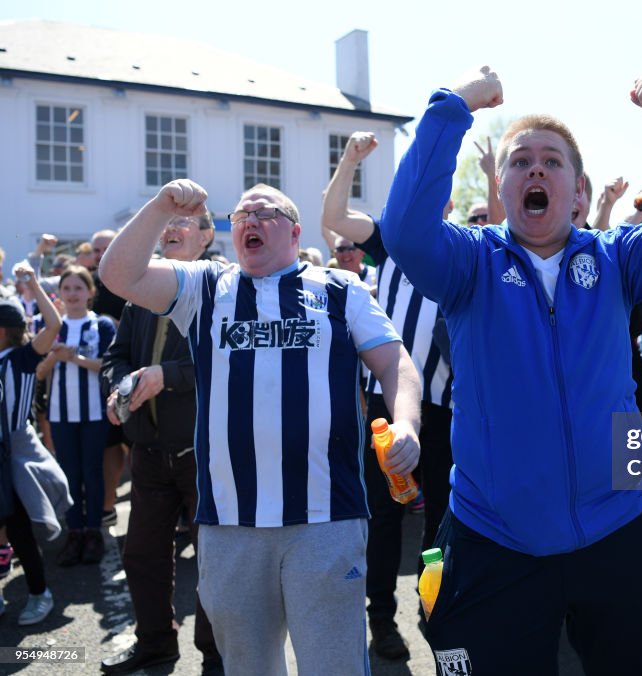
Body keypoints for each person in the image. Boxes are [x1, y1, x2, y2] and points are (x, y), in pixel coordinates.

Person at [380, 65, 642, 674]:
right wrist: (454, 108)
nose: (536, 168)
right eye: (520, 162)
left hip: (618, 529)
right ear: (502, 190)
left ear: (578, 192)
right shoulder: (471, 263)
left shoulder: (620, 256)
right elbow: (406, 231)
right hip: (495, 536)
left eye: (552, 161)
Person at [98, 178, 423, 676]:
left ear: (294, 233)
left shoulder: (340, 289)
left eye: (264, 211)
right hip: (231, 523)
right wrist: (163, 206)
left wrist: (406, 423)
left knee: (333, 665)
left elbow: (394, 362)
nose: (247, 219)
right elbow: (118, 274)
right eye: (240, 215)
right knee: (248, 667)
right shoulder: (205, 286)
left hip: (326, 516)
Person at [321, 130, 455, 661]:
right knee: (384, 515)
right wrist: (350, 160)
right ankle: (381, 617)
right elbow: (333, 216)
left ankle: (436, 608)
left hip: (445, 407)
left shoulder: (466, 246)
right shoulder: (390, 238)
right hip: (388, 405)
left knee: (442, 518)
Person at [98, 211, 222, 675]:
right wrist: (116, 388)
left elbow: (224, 363)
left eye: (184, 222)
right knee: (142, 554)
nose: (170, 228)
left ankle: (214, 654)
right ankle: (155, 644)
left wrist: (165, 377)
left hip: (203, 454)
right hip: (148, 453)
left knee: (214, 559)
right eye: (166, 220)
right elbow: (118, 355)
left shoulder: (221, 293)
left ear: (206, 237)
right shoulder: (139, 295)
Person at [36, 265, 116, 566]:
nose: (72, 294)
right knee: (69, 474)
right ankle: (75, 531)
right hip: (60, 413)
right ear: (60, 292)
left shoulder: (102, 325)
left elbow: (108, 365)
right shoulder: (51, 326)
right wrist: (55, 357)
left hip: (95, 412)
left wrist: (77, 359)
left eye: (78, 288)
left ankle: (93, 531)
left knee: (92, 473)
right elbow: (38, 372)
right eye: (66, 288)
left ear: (90, 292)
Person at [0, 265, 64, 626]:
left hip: (11, 454)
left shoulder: (21, 359)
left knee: (20, 529)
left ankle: (41, 594)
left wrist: (35, 285)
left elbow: (53, 327)